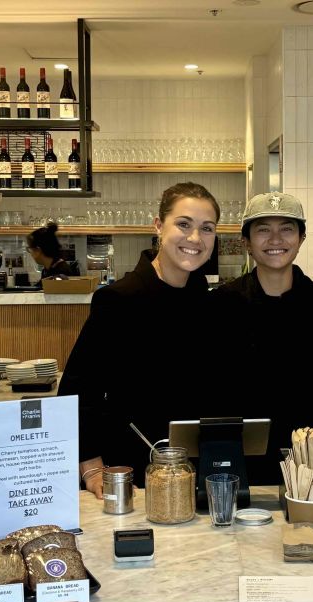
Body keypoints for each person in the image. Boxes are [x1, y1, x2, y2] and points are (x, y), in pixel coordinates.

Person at [58, 182, 223, 498]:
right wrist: (91, 466)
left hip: (193, 471)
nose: (194, 238)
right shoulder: (119, 299)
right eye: (183, 224)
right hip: (130, 470)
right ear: (159, 226)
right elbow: (80, 388)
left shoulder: (209, 303)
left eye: (207, 229)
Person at [214, 192, 313, 482]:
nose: (276, 240)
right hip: (241, 465)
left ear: (301, 238)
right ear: (246, 241)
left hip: (312, 466)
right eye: (263, 230)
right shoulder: (222, 306)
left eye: (286, 229)